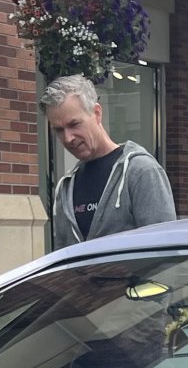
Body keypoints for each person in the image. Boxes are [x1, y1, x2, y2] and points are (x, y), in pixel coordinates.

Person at [43, 74, 176, 245]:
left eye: (74, 124)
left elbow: (165, 250)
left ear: (97, 113)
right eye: (59, 130)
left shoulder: (141, 171)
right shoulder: (66, 186)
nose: (68, 138)